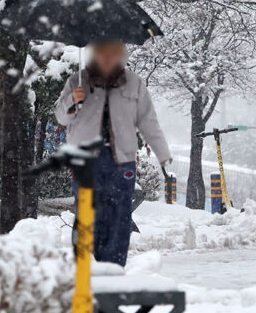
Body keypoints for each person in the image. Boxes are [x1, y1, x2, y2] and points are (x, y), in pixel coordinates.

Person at [55, 41, 172, 267]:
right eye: (102, 54)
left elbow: (148, 120)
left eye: (113, 54)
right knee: (87, 211)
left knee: (119, 214)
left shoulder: (134, 84)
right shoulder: (77, 81)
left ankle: (114, 267)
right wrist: (72, 100)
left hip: (122, 160)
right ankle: (86, 265)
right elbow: (61, 117)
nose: (107, 59)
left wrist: (162, 152)